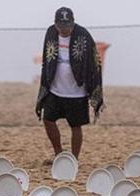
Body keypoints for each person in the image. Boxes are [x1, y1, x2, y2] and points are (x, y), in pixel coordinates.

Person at [36, 7, 104, 163]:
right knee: (48, 120)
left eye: (67, 26)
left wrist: (92, 86)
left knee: (76, 125)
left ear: (73, 23)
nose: (64, 29)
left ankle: (73, 159)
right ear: (55, 24)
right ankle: (59, 155)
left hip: (77, 92)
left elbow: (94, 61)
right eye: (61, 26)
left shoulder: (83, 35)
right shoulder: (51, 33)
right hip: (54, 89)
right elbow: (47, 58)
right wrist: (45, 80)